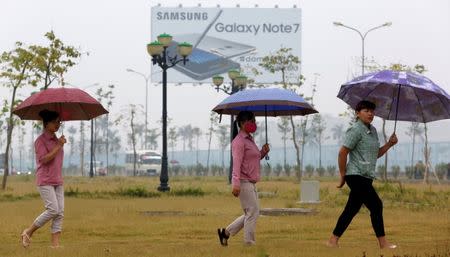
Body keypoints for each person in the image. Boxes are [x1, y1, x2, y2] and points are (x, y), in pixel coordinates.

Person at [327, 100, 398, 249]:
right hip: (355, 175)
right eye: (366, 111)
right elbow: (342, 152)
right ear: (357, 113)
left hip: (366, 176)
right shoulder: (355, 130)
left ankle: (333, 240)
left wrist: (389, 144)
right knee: (376, 205)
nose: (370, 114)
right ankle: (383, 243)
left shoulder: (372, 131)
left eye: (372, 111)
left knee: (351, 209)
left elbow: (375, 154)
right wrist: (342, 175)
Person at [217, 111, 270, 246]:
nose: (254, 124)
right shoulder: (239, 142)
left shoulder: (249, 139)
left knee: (252, 211)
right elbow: (237, 163)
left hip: (251, 182)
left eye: (254, 121)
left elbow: (254, 158)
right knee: (252, 212)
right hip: (243, 181)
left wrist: (263, 152)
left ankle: (226, 233)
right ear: (242, 123)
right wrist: (235, 184)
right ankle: (249, 243)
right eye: (251, 121)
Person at [21, 110, 66, 248]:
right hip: (45, 180)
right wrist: (59, 146)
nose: (58, 124)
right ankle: (28, 231)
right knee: (53, 209)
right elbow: (44, 159)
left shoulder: (57, 140)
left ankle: (55, 245)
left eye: (59, 122)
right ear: (46, 124)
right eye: (54, 122)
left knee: (60, 212)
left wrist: (59, 144)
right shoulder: (40, 141)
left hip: (58, 180)